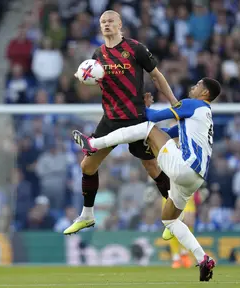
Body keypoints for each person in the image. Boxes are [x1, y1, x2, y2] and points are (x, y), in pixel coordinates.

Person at [72, 78, 221, 281]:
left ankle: (93, 143)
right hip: (195, 179)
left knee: (147, 127)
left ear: (205, 93)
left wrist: (143, 106)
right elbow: (168, 133)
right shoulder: (204, 116)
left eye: (197, 85)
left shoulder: (192, 104)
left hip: (184, 167)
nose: (193, 87)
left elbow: (154, 118)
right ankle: (203, 259)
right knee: (169, 219)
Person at [63, 10, 177, 234]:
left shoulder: (135, 48)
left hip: (136, 118)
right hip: (111, 119)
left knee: (152, 166)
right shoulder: (98, 54)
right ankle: (87, 215)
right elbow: (94, 81)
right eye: (103, 22)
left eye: (110, 21)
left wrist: (173, 102)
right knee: (87, 165)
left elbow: (156, 75)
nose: (106, 25)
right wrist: (80, 77)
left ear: (120, 24)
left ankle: (174, 218)